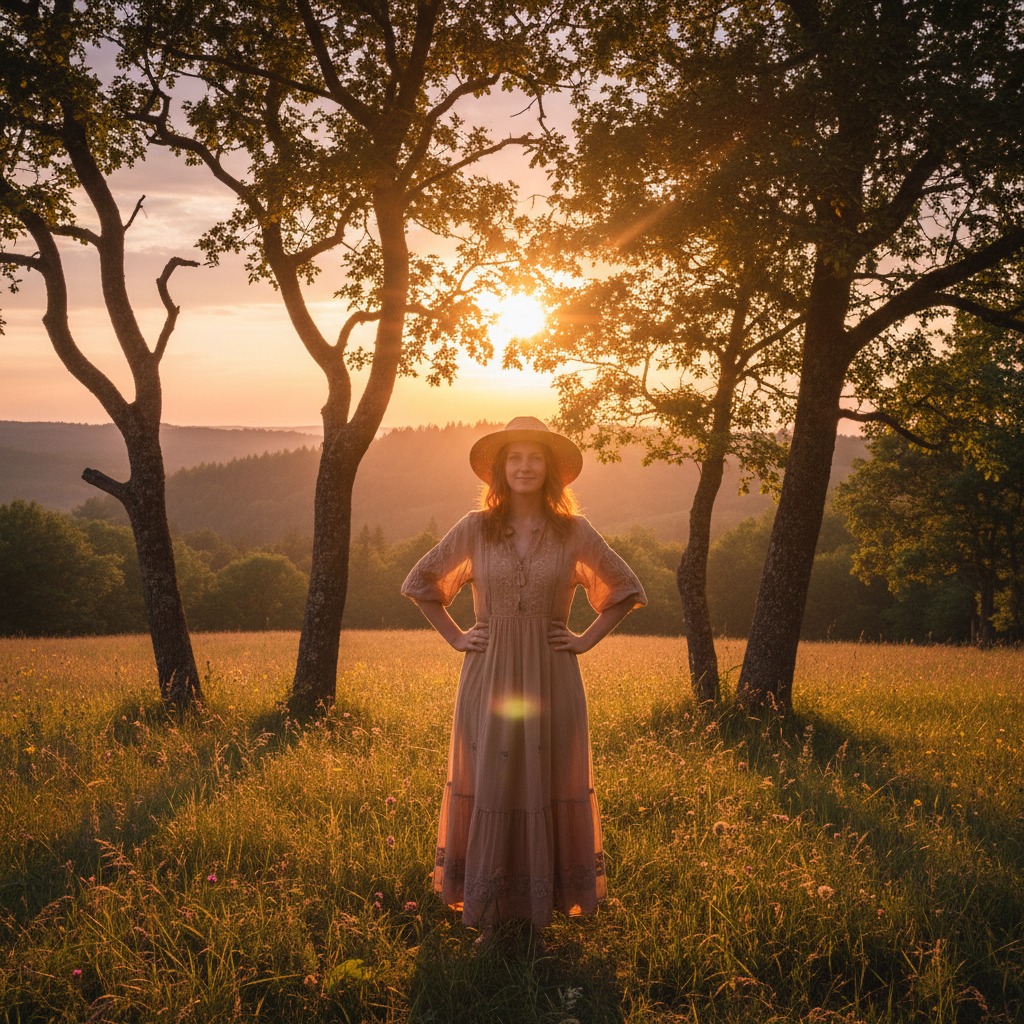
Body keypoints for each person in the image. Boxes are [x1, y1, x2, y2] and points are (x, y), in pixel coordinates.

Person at [401, 416, 647, 951]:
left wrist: (585, 639)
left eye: (535, 459)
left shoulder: (574, 531)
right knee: (492, 778)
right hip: (488, 672)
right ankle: (490, 912)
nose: (525, 467)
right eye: (515, 459)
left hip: (551, 673)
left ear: (552, 471)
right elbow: (422, 583)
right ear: (500, 470)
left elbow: (625, 589)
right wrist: (455, 636)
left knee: (545, 779)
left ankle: (540, 912)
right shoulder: (474, 526)